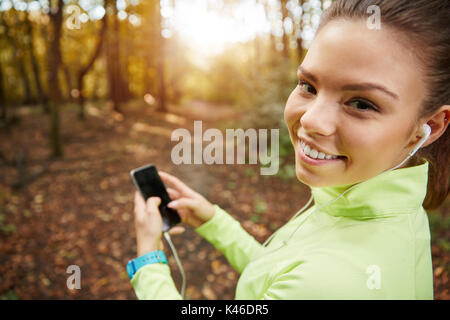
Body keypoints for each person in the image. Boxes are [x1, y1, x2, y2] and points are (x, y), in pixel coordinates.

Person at [129, 0, 449, 299]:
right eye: (309, 86)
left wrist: (148, 260)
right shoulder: (383, 206)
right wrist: (215, 222)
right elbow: (280, 275)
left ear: (429, 126)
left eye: (362, 103)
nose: (311, 120)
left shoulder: (332, 281)